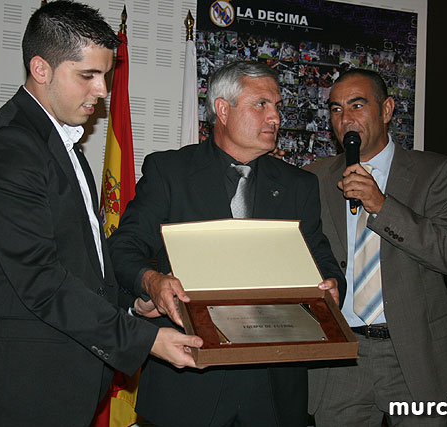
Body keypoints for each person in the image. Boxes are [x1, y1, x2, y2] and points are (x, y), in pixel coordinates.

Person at [0, 2, 202, 425]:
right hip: (16, 391)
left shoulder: (59, 141)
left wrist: (132, 305)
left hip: (56, 386)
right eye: (88, 75)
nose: (102, 90)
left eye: (106, 75)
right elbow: (41, 281)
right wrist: (146, 340)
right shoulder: (11, 149)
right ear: (41, 69)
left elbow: (79, 262)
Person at [108, 61, 345, 427]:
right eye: (261, 104)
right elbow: (123, 248)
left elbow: (323, 260)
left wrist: (331, 285)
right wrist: (150, 281)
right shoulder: (170, 173)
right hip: (189, 383)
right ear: (222, 109)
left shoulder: (298, 186)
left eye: (277, 106)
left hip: (273, 390)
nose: (275, 117)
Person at [305, 69, 447, 426]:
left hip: (416, 354)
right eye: (336, 109)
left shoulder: (434, 172)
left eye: (357, 105)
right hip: (342, 356)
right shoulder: (313, 178)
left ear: (386, 110)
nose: (345, 119)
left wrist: (382, 206)